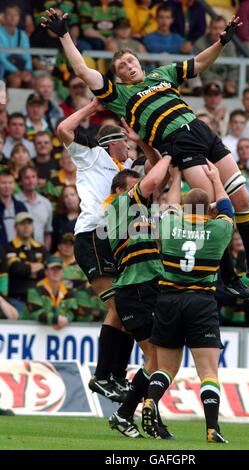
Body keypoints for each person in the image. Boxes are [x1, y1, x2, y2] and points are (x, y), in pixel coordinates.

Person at [42, 9, 249, 292]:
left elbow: (199, 63)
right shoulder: (119, 96)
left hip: (203, 132)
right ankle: (229, 278)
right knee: (212, 205)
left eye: (130, 61)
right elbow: (83, 70)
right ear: (117, 76)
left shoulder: (162, 74)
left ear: (139, 62)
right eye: (121, 67)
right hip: (178, 144)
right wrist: (65, 35)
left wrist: (221, 42)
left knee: (242, 199)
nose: (128, 67)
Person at [57, 98, 159, 403]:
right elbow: (63, 129)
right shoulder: (91, 155)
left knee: (126, 306)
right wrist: (92, 106)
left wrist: (144, 140)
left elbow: (153, 166)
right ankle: (103, 376)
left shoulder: (128, 168)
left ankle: (114, 375)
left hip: (114, 241)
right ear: (112, 143)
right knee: (118, 307)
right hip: (92, 236)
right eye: (126, 143)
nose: (129, 149)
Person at [141, 161, 233, 443]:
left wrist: (178, 175)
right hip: (201, 302)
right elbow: (228, 207)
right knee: (208, 371)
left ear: (184, 206)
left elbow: (170, 205)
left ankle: (150, 401)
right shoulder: (218, 231)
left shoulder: (170, 224)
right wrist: (216, 178)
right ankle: (212, 428)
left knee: (165, 368)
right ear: (209, 210)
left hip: (168, 299)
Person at [106, 161, 173, 439]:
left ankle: (133, 415)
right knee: (157, 359)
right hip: (134, 291)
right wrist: (169, 152)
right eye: (135, 186)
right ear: (121, 190)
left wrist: (165, 159)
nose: (141, 191)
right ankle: (128, 415)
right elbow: (154, 182)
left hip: (149, 288)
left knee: (156, 360)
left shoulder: (141, 212)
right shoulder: (119, 206)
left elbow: (162, 182)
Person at [6, 211, 47, 312]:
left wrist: (27, 268)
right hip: (17, 299)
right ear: (15, 227)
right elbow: (17, 269)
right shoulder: (9, 247)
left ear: (32, 226)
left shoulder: (41, 248)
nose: (26, 226)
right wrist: (38, 267)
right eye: (22, 223)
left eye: (29, 223)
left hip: (41, 299)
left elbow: (47, 270)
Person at [24, 255, 77, 328]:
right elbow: (35, 313)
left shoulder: (69, 291)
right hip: (29, 333)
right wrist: (56, 319)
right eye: (52, 269)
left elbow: (73, 312)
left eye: (59, 269)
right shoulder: (35, 290)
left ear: (63, 271)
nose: (56, 272)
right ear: (46, 272)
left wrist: (65, 319)